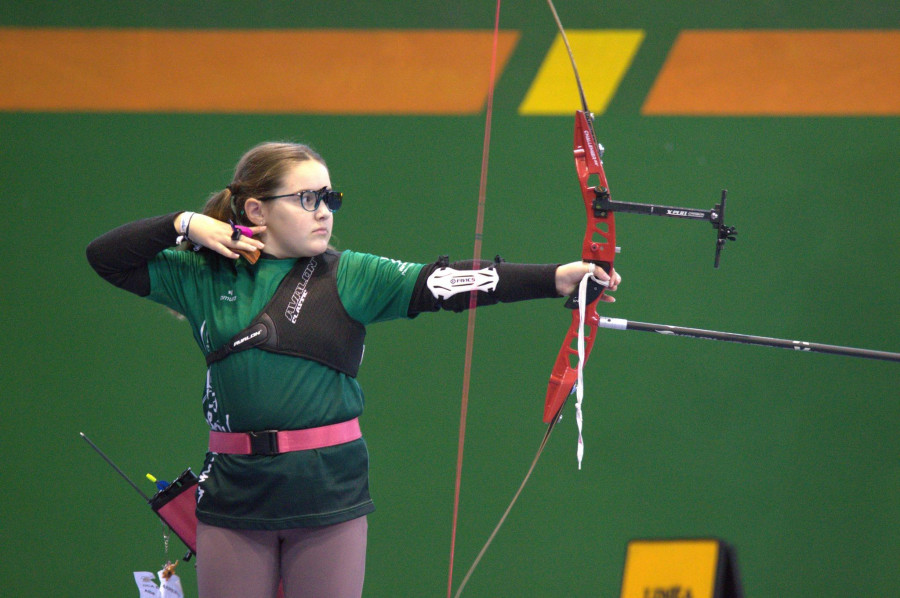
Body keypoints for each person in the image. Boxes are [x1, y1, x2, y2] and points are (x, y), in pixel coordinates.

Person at [86, 141, 621, 598]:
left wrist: (557, 278)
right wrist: (183, 224)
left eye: (329, 197)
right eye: (306, 198)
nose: (324, 211)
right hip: (235, 490)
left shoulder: (352, 275)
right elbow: (105, 257)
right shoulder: (202, 275)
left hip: (328, 488)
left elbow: (446, 283)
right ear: (254, 212)